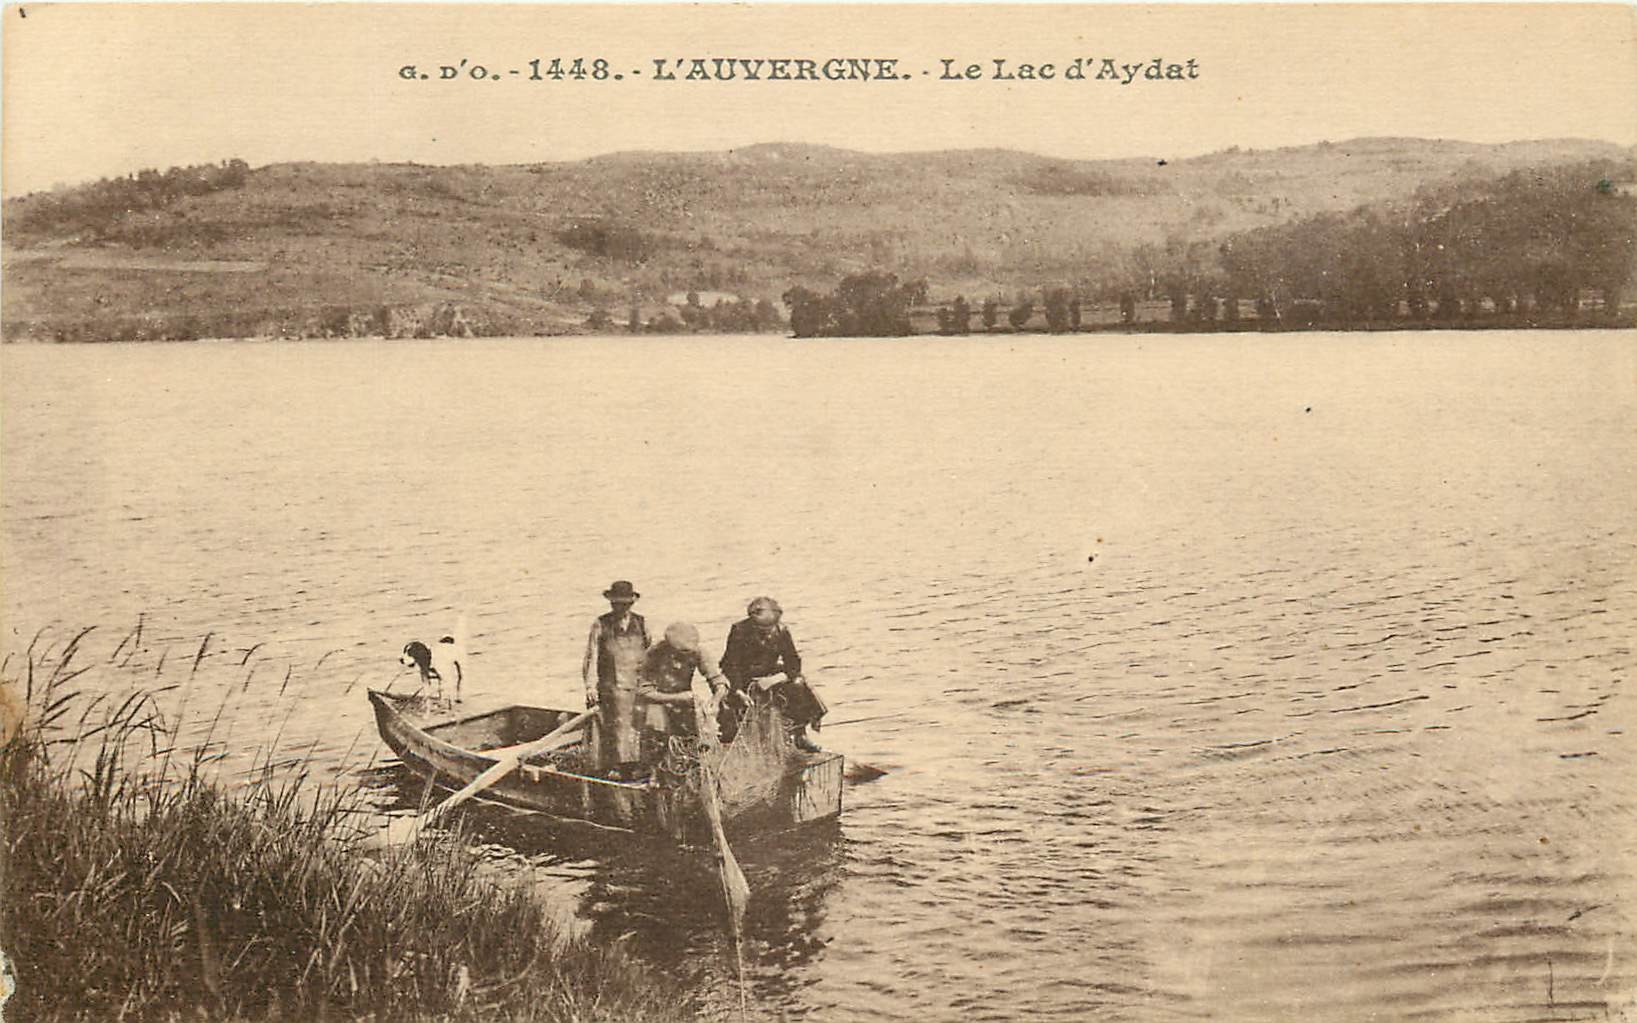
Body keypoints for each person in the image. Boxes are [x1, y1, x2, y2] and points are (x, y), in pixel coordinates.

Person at [719, 596, 826, 752]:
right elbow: (730, 664)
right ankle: (736, 740)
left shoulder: (782, 631)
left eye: (770, 628)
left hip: (770, 674)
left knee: (799, 683)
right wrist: (738, 690)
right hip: (744, 677)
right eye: (762, 629)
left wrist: (776, 679)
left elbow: (793, 662)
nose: (766, 632)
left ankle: (800, 734)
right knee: (731, 703)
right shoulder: (739, 630)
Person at [581, 580, 651, 778]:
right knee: (616, 727)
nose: (620, 607)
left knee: (640, 726)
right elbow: (590, 657)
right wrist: (590, 687)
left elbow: (650, 653)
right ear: (611, 603)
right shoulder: (600, 624)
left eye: (625, 603)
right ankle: (617, 768)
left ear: (631, 603)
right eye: (616, 603)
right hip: (612, 686)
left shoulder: (642, 623)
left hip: (637, 685)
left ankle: (639, 765)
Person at [637, 622, 729, 762]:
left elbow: (718, 679)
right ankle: (655, 770)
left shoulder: (698, 651)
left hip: (685, 701)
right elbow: (643, 691)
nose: (686, 655)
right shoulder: (653, 654)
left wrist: (716, 700)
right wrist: (675, 698)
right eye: (681, 652)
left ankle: (691, 766)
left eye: (688, 651)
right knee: (655, 725)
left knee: (695, 737)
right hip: (657, 701)